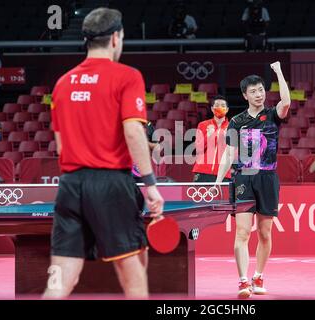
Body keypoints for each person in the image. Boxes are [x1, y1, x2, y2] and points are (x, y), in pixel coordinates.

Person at [45, 8, 164, 299]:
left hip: (70, 186)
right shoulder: (126, 76)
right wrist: (150, 186)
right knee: (133, 279)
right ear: (115, 38)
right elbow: (134, 132)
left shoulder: (62, 83)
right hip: (111, 186)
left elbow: (60, 146)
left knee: (60, 281)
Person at [214, 61, 290, 299]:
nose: (259, 94)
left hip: (267, 178)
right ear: (246, 95)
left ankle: (258, 275)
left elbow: (286, 102)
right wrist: (218, 180)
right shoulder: (236, 122)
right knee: (242, 233)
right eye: (254, 91)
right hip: (243, 179)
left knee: (265, 233)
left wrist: (278, 72)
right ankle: (243, 281)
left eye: (261, 90)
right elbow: (228, 153)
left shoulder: (272, 115)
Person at [192, 95, 232, 182]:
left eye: (223, 105)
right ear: (212, 109)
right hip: (202, 171)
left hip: (224, 173)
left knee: (224, 196)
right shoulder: (203, 125)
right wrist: (208, 135)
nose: (219, 107)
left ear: (227, 109)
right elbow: (198, 149)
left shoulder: (232, 127)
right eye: (217, 105)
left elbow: (235, 154)